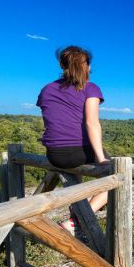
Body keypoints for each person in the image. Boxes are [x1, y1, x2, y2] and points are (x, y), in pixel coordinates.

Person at [36, 45, 110, 236]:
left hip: (54, 155)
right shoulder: (90, 88)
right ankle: (75, 222)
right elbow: (92, 123)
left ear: (62, 66)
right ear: (87, 67)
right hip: (79, 152)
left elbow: (54, 119)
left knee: (75, 184)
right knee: (118, 178)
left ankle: (77, 212)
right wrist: (101, 159)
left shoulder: (46, 90)